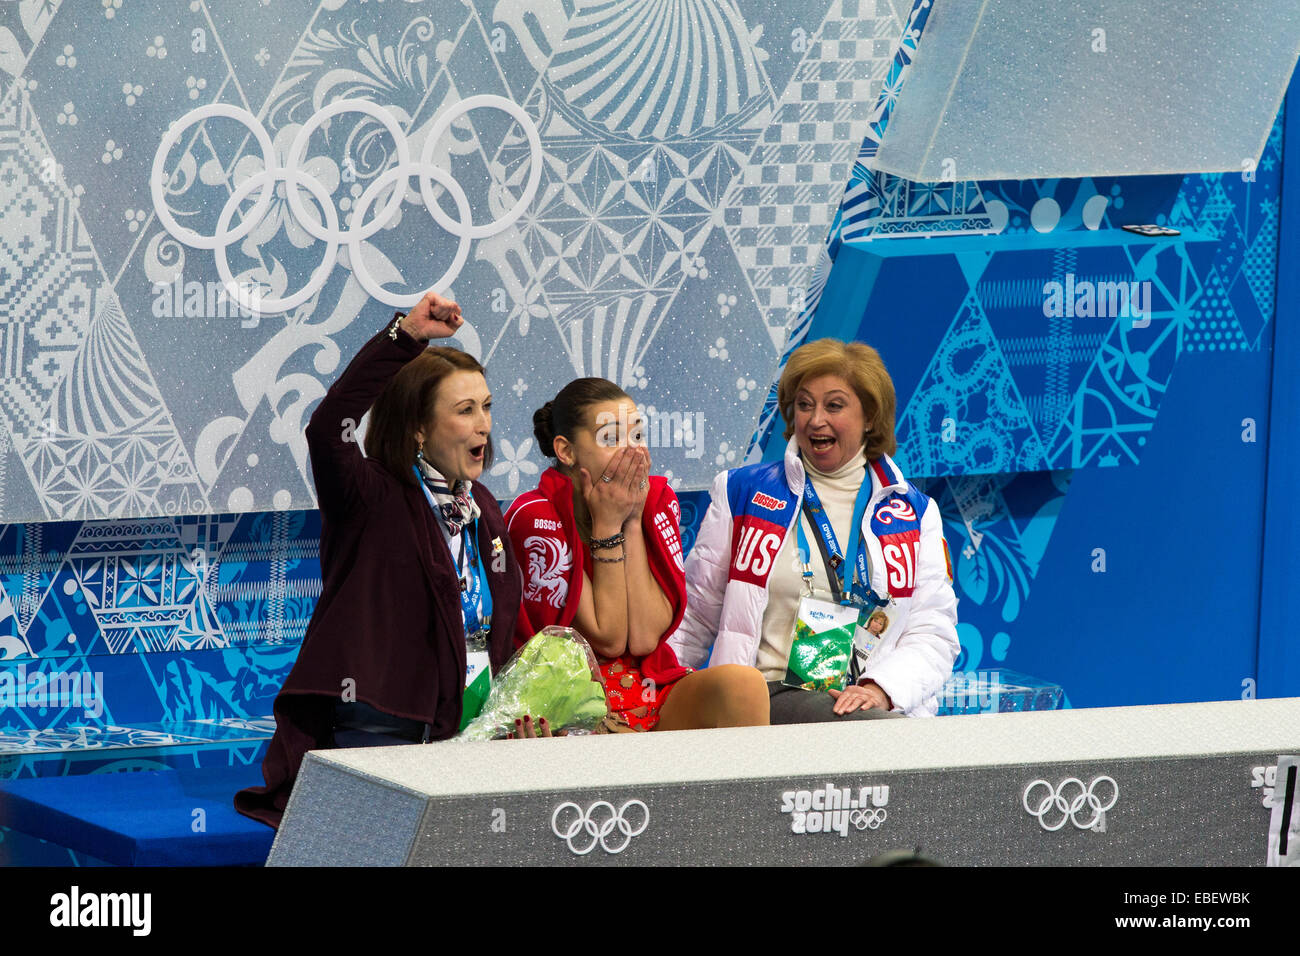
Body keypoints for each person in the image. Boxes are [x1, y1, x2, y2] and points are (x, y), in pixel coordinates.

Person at [235, 292, 538, 830]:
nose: (484, 424)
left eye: (487, 406)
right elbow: (328, 428)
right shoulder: (371, 495)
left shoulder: (484, 508)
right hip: (381, 735)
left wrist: (512, 712)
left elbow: (495, 628)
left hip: (470, 731)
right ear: (419, 428)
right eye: (465, 410)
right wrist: (405, 336)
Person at [668, 338, 959, 722]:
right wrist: (660, 707)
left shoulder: (916, 514)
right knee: (877, 735)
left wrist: (881, 690)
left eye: (834, 406)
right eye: (804, 405)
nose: (815, 419)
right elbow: (695, 616)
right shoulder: (743, 491)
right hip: (762, 701)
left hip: (865, 706)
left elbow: (933, 633)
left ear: (870, 417)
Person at [506, 379, 769, 731]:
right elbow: (609, 638)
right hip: (573, 701)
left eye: (637, 436)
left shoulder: (656, 498)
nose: (632, 452)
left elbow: (645, 639)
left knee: (744, 685)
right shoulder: (535, 515)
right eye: (611, 439)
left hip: (651, 686)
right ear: (566, 451)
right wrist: (607, 524)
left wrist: (631, 521)